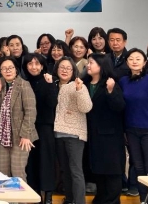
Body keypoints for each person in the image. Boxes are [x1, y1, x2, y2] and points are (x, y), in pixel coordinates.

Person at [119, 48, 148, 202]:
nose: (134, 61)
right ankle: (143, 200)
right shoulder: (123, 81)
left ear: (145, 62)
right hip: (131, 130)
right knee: (138, 167)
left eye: (138, 59)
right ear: (127, 62)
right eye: (131, 59)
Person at [84, 54, 125, 204]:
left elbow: (119, 107)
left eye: (91, 63)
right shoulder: (84, 83)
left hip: (110, 136)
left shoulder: (111, 83)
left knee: (112, 172)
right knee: (98, 173)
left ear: (101, 65)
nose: (88, 66)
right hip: (91, 135)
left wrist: (110, 91)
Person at [53, 57, 92, 204]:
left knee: (76, 170)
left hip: (74, 134)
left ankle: (79, 201)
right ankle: (69, 200)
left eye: (68, 68)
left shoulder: (77, 85)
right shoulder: (53, 85)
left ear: (73, 71)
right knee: (65, 170)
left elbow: (86, 107)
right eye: (62, 67)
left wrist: (79, 90)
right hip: (58, 133)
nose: (64, 70)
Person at [0, 57, 37, 179]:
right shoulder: (0, 85)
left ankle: (21, 193)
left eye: (10, 68)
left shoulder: (24, 85)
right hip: (3, 135)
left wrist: (26, 135)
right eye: (4, 68)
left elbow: (31, 111)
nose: (8, 71)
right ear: (0, 71)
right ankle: (6, 193)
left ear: (16, 69)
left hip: (20, 136)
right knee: (2, 173)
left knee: (18, 172)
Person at [23, 53, 58, 203]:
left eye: (37, 64)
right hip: (28, 128)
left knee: (46, 161)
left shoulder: (48, 80)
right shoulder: (23, 82)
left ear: (42, 66)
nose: (34, 67)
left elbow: (52, 103)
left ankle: (48, 195)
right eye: (30, 64)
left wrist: (50, 85)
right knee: (31, 162)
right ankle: (34, 195)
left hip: (45, 127)